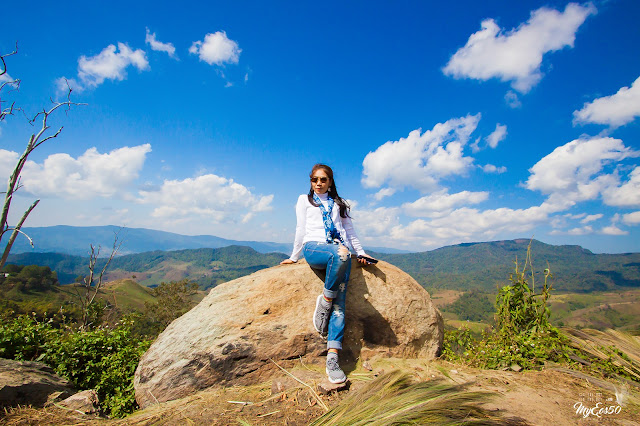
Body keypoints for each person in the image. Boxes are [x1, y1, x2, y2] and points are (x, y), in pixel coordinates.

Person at [280, 163, 376, 384]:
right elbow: (300, 228)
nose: (318, 183)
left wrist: (361, 253)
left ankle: (332, 358)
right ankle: (325, 299)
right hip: (314, 248)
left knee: (340, 306)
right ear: (310, 181)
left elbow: (349, 231)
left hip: (340, 251)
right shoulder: (304, 200)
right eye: (314, 179)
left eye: (323, 180)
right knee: (341, 253)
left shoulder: (339, 204)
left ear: (330, 182)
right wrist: (294, 256)